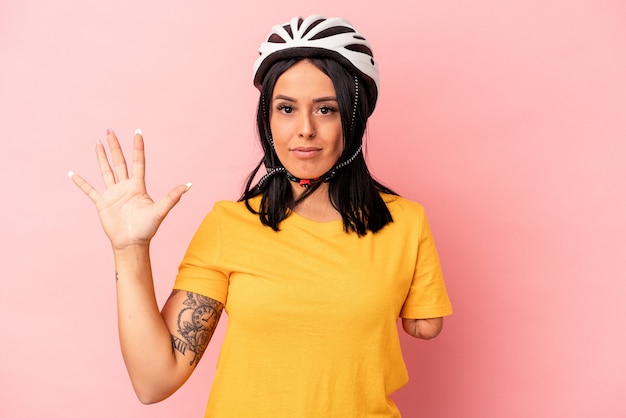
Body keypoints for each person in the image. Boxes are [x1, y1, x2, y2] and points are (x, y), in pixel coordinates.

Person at [69, 15, 452, 417]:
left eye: (326, 109)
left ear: (353, 120)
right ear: (267, 120)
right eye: (286, 108)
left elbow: (425, 324)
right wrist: (130, 249)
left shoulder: (404, 222)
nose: (304, 129)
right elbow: (154, 381)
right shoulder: (229, 225)